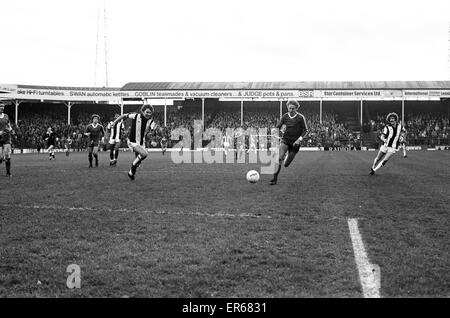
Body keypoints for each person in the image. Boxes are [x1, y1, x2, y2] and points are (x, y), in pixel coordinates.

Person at [111, 104, 159, 180]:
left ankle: (131, 173)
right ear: (143, 111)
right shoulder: (136, 116)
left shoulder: (150, 121)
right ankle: (132, 167)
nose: (148, 114)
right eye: (147, 112)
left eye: (150, 113)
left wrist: (153, 138)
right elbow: (124, 116)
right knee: (144, 154)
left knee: (138, 161)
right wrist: (115, 122)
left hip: (141, 143)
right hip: (132, 141)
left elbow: (154, 130)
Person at [270, 100, 308, 185]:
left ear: (296, 109)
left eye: (293, 108)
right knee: (279, 158)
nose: (291, 110)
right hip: (285, 140)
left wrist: (299, 140)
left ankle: (287, 157)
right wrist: (275, 131)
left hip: (295, 143)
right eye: (289, 108)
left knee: (286, 164)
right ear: (288, 108)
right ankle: (274, 178)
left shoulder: (300, 117)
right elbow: (277, 126)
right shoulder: (285, 116)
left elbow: (306, 130)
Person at [0, 102, 14, 176]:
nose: (2, 108)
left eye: (3, 106)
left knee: (7, 155)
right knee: (0, 157)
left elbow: (9, 125)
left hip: (6, 137)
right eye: (0, 106)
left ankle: (8, 173)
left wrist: (11, 129)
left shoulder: (6, 116)